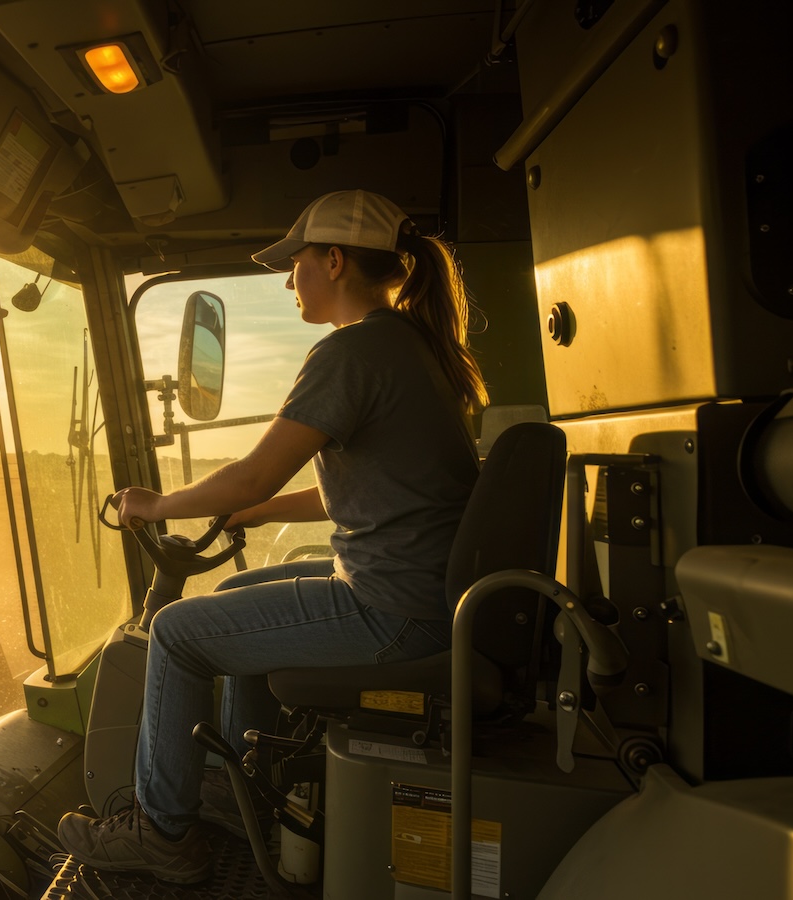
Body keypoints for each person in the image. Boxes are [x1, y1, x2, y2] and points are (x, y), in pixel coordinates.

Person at [57, 189, 489, 884]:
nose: (289, 280)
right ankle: (240, 788)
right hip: (424, 596)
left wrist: (157, 503)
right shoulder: (409, 346)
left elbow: (251, 475)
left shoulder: (352, 352)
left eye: (297, 264)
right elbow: (374, 488)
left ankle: (162, 831)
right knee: (235, 589)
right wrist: (255, 515)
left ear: (335, 260)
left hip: (393, 610)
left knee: (175, 632)